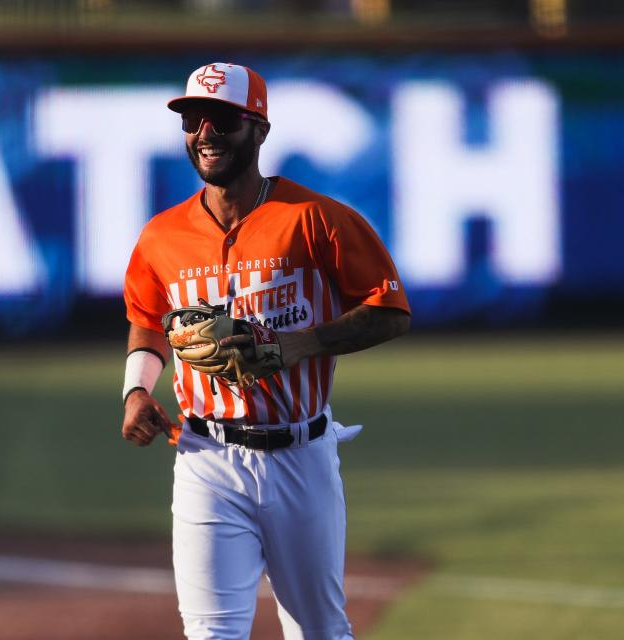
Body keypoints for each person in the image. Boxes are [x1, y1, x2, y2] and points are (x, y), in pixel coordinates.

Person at [121, 63, 411, 639]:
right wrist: (135, 389)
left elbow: (389, 311)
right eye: (193, 120)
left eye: (222, 120)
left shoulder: (314, 219)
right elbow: (148, 321)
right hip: (205, 455)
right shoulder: (161, 236)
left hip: (300, 454)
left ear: (259, 129)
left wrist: (293, 346)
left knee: (317, 631)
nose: (205, 133)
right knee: (211, 633)